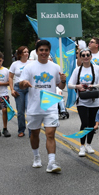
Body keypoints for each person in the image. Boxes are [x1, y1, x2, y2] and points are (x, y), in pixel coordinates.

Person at [19, 40, 67, 173]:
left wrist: (63, 80)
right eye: (41, 50)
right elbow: (21, 84)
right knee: (34, 134)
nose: (44, 52)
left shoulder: (55, 67)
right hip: (34, 107)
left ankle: (52, 162)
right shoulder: (29, 67)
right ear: (37, 51)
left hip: (50, 106)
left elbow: (61, 86)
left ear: (49, 51)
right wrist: (25, 82)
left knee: (50, 134)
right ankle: (36, 157)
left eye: (46, 50)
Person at [68, 47, 99, 157]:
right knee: (84, 123)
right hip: (82, 101)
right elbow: (69, 85)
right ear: (80, 57)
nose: (85, 57)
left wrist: (92, 86)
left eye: (87, 55)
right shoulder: (77, 70)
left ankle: (89, 144)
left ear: (91, 56)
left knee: (92, 123)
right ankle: (82, 146)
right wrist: (77, 86)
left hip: (94, 100)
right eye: (83, 55)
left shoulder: (96, 68)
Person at [9, 46, 32, 137]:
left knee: (29, 110)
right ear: (20, 54)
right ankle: (21, 130)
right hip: (19, 88)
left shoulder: (31, 63)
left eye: (27, 52)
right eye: (25, 52)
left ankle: (31, 131)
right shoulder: (15, 64)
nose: (27, 54)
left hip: (29, 88)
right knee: (20, 112)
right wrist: (12, 90)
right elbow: (10, 77)